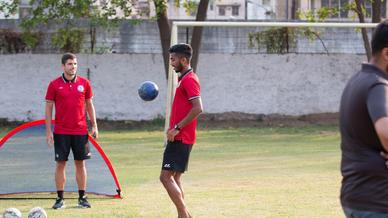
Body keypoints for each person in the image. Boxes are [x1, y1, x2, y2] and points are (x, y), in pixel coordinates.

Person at [339, 19, 388, 217]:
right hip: (377, 201)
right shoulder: (378, 86)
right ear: (387, 53)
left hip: (356, 197)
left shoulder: (357, 81)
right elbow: (385, 131)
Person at [45, 53, 98, 209]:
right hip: (61, 131)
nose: (73, 67)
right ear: (63, 66)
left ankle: (82, 197)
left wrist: (94, 125)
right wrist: (48, 131)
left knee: (80, 164)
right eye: (69, 64)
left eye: (75, 64)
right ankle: (60, 199)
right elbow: (48, 108)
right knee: (60, 164)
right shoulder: (54, 84)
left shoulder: (85, 83)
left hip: (81, 131)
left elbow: (89, 105)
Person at [160, 43, 203, 218]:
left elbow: (198, 108)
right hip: (181, 137)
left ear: (184, 60)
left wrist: (177, 128)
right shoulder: (183, 79)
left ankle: (184, 215)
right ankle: (183, 215)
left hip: (181, 138)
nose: (171, 62)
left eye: (173, 59)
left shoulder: (190, 79)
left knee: (165, 177)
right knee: (175, 178)